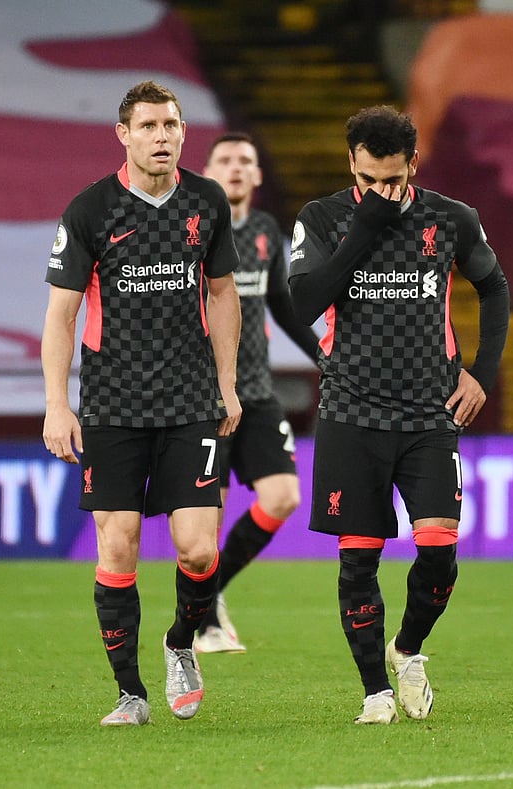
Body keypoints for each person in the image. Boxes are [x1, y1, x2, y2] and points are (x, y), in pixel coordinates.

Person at [288, 106, 510, 724]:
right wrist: (364, 227)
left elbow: (495, 288)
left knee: (439, 552)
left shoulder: (452, 218)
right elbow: (303, 303)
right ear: (350, 164)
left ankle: (407, 650)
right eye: (367, 179)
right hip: (351, 412)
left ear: (413, 164)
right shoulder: (322, 218)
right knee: (359, 559)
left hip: (429, 412)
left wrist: (482, 374)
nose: (380, 191)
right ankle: (374, 692)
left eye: (392, 179)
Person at [42, 81, 243, 726]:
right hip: (111, 406)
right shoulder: (90, 209)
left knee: (198, 551)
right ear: (123, 135)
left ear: (184, 132)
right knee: (119, 546)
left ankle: (180, 644)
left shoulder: (207, 202)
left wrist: (227, 383)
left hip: (190, 401)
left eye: (171, 125)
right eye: (149, 126)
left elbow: (223, 295)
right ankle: (131, 693)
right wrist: (56, 404)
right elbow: (61, 315)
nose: (162, 136)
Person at [193, 132, 320, 654]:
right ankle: (203, 625)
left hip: (258, 393)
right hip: (204, 397)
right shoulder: (194, 228)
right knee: (209, 518)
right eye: (225, 159)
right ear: (207, 171)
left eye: (246, 160)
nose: (236, 167)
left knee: (284, 496)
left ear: (258, 174)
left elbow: (282, 305)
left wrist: (326, 356)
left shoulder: (267, 229)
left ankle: (212, 593)